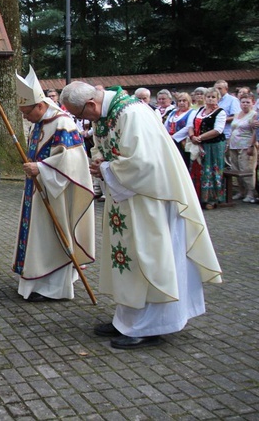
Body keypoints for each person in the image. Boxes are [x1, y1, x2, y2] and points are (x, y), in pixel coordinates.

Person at [60, 82, 222, 350]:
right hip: (127, 199)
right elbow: (103, 145)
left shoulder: (133, 114)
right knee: (130, 259)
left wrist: (108, 168)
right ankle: (127, 319)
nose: (84, 121)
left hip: (150, 200)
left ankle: (151, 325)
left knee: (148, 257)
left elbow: (145, 163)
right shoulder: (108, 113)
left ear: (91, 104)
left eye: (82, 115)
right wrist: (101, 161)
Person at [13, 68, 94, 303]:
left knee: (53, 237)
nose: (25, 117)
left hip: (57, 192)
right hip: (38, 190)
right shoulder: (40, 122)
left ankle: (54, 288)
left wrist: (42, 169)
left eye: (27, 112)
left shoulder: (63, 124)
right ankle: (36, 280)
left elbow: (74, 161)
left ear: (39, 105)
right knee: (38, 236)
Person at [188, 87, 227, 209]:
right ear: (204, 98)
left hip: (214, 146)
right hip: (199, 144)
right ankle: (198, 197)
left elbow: (217, 130)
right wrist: (192, 136)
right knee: (199, 169)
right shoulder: (199, 110)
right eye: (208, 97)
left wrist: (200, 137)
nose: (210, 99)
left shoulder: (220, 112)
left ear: (218, 99)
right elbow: (190, 125)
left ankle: (212, 199)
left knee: (212, 170)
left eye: (213, 97)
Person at [227, 94, 257, 203]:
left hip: (246, 145)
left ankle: (251, 193)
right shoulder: (236, 114)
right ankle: (241, 191)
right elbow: (233, 129)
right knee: (236, 168)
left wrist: (251, 146)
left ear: (252, 103)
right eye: (243, 102)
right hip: (234, 145)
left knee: (247, 169)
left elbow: (255, 132)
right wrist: (228, 143)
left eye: (247, 102)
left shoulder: (254, 115)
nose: (245, 104)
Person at [164, 92, 196, 168]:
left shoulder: (192, 112)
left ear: (189, 102)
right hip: (170, 140)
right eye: (179, 101)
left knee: (182, 162)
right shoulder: (173, 112)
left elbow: (189, 126)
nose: (181, 103)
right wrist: (166, 136)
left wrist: (173, 137)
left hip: (182, 142)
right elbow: (165, 125)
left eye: (184, 101)